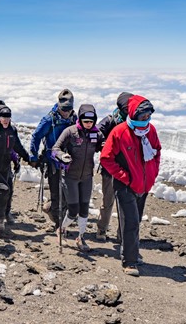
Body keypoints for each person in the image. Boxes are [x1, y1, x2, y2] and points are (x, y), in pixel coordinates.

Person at [100, 95, 161, 277]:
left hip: (143, 186)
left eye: (148, 116)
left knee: (136, 221)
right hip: (125, 186)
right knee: (131, 222)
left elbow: (157, 152)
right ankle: (130, 261)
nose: (146, 119)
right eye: (142, 116)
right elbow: (106, 158)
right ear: (133, 114)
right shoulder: (120, 132)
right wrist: (124, 177)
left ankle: (130, 252)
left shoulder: (151, 131)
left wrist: (152, 175)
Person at [52, 104, 104, 251]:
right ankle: (61, 229)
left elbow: (103, 146)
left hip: (87, 176)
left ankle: (81, 237)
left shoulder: (97, 134)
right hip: (70, 176)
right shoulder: (70, 132)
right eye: (85, 121)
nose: (88, 124)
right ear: (80, 119)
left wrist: (106, 147)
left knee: (84, 209)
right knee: (73, 209)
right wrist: (62, 156)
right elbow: (55, 149)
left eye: (91, 121)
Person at [29, 89, 77, 230]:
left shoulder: (74, 118)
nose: (66, 113)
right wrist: (33, 156)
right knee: (57, 192)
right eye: (64, 109)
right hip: (53, 162)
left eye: (69, 109)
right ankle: (58, 223)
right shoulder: (49, 120)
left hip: (69, 161)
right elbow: (36, 136)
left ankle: (54, 212)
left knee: (69, 192)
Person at [0, 104, 30, 237]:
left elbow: (18, 147)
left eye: (8, 117)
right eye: (3, 116)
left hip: (6, 168)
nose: (5, 119)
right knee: (3, 190)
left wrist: (29, 158)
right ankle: (0, 225)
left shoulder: (12, 131)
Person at [97, 92, 133, 242]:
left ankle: (117, 232)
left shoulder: (122, 121)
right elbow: (97, 132)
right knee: (110, 201)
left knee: (119, 202)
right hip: (114, 169)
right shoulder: (111, 121)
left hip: (123, 169)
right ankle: (103, 229)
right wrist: (104, 143)